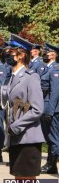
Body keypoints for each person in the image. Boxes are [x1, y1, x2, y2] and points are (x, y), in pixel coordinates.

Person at [0, 34, 44, 183]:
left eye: (10, 52)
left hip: (28, 138)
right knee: (19, 179)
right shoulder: (10, 78)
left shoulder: (31, 78)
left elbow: (37, 109)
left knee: (29, 181)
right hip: (15, 138)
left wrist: (15, 126)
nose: (7, 54)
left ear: (21, 55)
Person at [40, 42, 59, 174]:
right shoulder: (47, 68)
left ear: (54, 55)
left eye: (47, 52)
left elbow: (55, 92)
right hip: (45, 108)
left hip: (52, 110)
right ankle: (51, 164)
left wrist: (50, 111)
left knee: (53, 139)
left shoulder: (55, 69)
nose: (44, 54)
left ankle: (52, 164)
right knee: (49, 138)